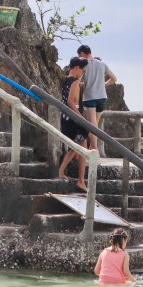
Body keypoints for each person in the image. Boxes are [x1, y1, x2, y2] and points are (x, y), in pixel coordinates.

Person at [77, 44, 118, 153]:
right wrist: (102, 84)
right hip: (102, 98)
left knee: (92, 124)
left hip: (90, 97)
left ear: (82, 54)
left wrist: (82, 84)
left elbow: (78, 81)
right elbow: (114, 79)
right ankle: (92, 149)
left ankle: (95, 149)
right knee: (95, 124)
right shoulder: (102, 64)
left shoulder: (84, 65)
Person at [57, 56, 89, 192]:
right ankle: (80, 181)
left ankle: (63, 172)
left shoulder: (66, 81)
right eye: (82, 70)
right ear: (76, 68)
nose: (83, 73)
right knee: (80, 147)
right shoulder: (75, 82)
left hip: (66, 118)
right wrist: (81, 118)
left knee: (77, 147)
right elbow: (71, 102)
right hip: (75, 119)